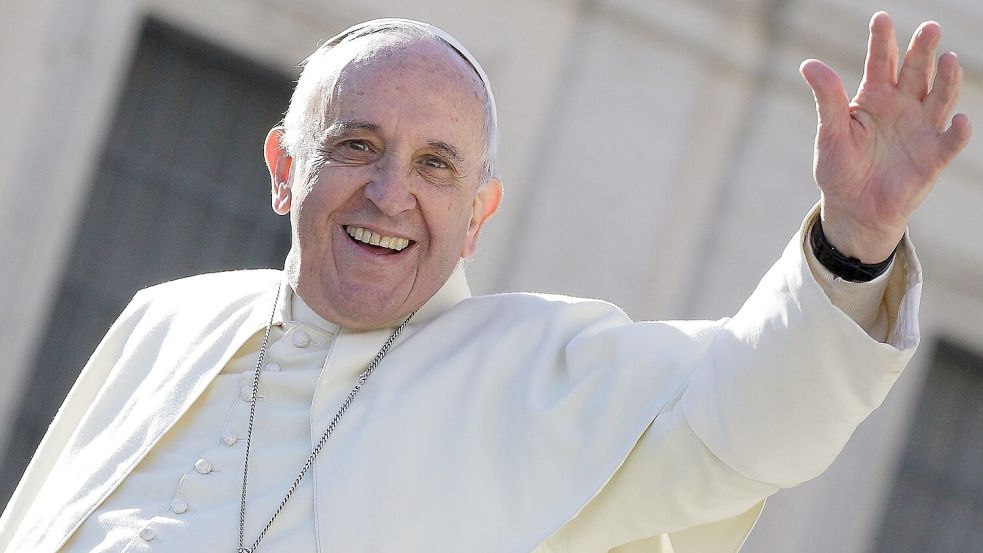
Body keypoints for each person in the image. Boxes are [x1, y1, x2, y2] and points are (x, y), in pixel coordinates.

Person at [0, 11, 970, 553]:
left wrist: (854, 235)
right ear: (282, 165)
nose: (388, 194)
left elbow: (746, 418)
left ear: (478, 214)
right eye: (355, 145)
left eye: (435, 166)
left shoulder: (546, 370)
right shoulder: (168, 316)